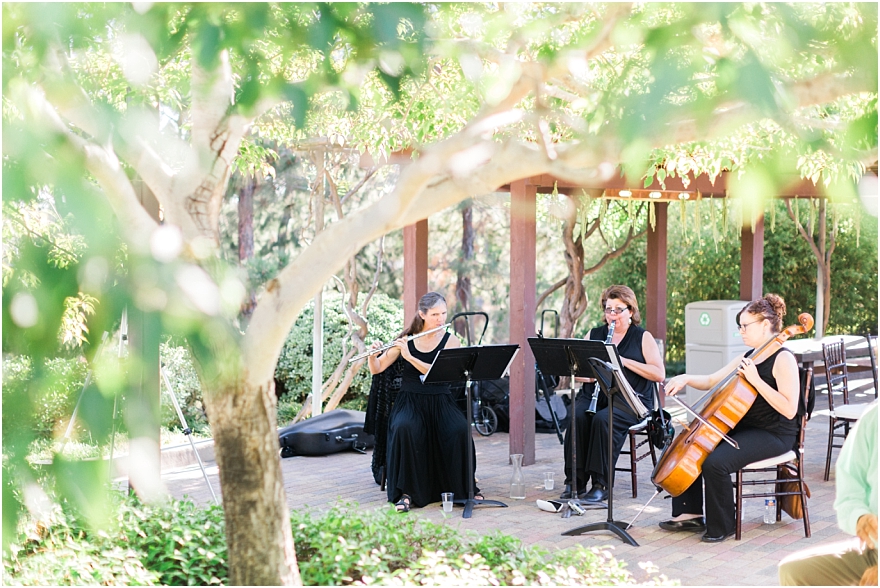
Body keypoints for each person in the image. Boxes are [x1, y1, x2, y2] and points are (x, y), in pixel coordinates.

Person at [659, 293, 801, 543]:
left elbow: (789, 409)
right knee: (694, 445)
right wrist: (685, 378)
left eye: (745, 326)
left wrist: (756, 381)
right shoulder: (749, 356)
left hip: (775, 433)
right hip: (747, 428)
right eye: (740, 326)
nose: (740, 331)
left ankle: (723, 525)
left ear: (765, 324)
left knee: (716, 463)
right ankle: (689, 514)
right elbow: (713, 380)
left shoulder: (783, 358)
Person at [367, 291, 479, 512]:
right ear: (422, 314)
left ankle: (465, 488)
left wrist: (409, 357)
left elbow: (439, 373)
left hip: (440, 399)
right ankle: (407, 493)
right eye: (435, 314)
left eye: (444, 313)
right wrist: (372, 356)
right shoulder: (406, 339)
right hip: (410, 400)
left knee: (458, 429)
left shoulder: (451, 340)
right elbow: (377, 369)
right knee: (405, 427)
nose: (441, 319)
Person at [560, 285, 665, 502]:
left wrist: (622, 361)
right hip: (595, 395)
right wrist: (578, 372)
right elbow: (585, 376)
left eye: (618, 309)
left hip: (630, 399)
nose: (613, 315)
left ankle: (601, 484)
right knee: (576, 416)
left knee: (602, 420)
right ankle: (575, 481)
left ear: (631, 311)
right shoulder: (595, 334)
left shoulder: (642, 337)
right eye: (609, 310)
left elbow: (658, 374)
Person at [778, 401, 877, 586]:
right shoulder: (874, 417)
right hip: (874, 550)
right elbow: (850, 486)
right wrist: (860, 517)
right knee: (794, 571)